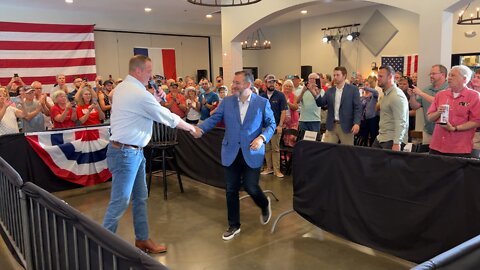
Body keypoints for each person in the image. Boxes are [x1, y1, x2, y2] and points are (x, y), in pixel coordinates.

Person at [103, 55, 196, 253]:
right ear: (137, 71)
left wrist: (154, 98)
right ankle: (101, 245)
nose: (151, 75)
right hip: (126, 153)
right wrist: (191, 128)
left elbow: (141, 108)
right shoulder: (139, 94)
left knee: (140, 197)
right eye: (148, 71)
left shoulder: (122, 88)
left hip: (131, 151)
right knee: (120, 202)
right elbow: (166, 117)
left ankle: (142, 239)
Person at [191, 71, 276, 241]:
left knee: (251, 187)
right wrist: (200, 129)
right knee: (231, 190)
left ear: (247, 85)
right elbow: (214, 119)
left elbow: (271, 124)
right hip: (230, 151)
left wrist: (262, 138)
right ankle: (234, 225)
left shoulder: (262, 103)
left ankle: (264, 203)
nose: (233, 85)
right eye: (233, 82)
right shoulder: (227, 102)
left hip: (252, 152)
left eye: (237, 83)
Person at [427, 65, 480, 157]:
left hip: (459, 148)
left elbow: (476, 121)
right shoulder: (441, 94)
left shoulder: (474, 96)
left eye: (453, 75)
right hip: (437, 146)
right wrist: (438, 112)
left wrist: (455, 128)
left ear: (464, 79)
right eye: (449, 75)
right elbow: (430, 117)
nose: (449, 78)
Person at [316, 66, 362, 145]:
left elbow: (357, 108)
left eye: (338, 75)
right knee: (327, 150)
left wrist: (357, 123)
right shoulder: (330, 91)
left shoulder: (353, 90)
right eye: (334, 75)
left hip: (346, 126)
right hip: (331, 126)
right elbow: (321, 103)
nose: (335, 77)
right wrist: (316, 95)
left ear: (344, 76)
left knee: (347, 152)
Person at [408, 64, 448, 146]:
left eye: (434, 74)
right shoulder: (426, 89)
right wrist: (412, 96)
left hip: (445, 132)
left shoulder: (449, 88)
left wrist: (421, 93)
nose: (431, 76)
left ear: (443, 74)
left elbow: (438, 103)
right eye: (430, 74)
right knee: (428, 157)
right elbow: (415, 106)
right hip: (428, 132)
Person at [372, 65, 409, 151]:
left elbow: (401, 121)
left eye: (381, 76)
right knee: (371, 162)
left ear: (390, 77)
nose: (378, 78)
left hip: (392, 139)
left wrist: (397, 143)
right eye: (378, 76)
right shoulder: (385, 94)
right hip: (382, 137)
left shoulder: (396, 96)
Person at [260, 74, 288, 178]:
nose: (272, 84)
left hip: (276, 127)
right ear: (266, 83)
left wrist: (280, 125)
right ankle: (269, 168)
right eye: (270, 82)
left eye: (273, 82)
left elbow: (283, 111)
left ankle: (277, 170)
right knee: (266, 148)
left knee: (275, 149)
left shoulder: (280, 95)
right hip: (264, 127)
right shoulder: (262, 96)